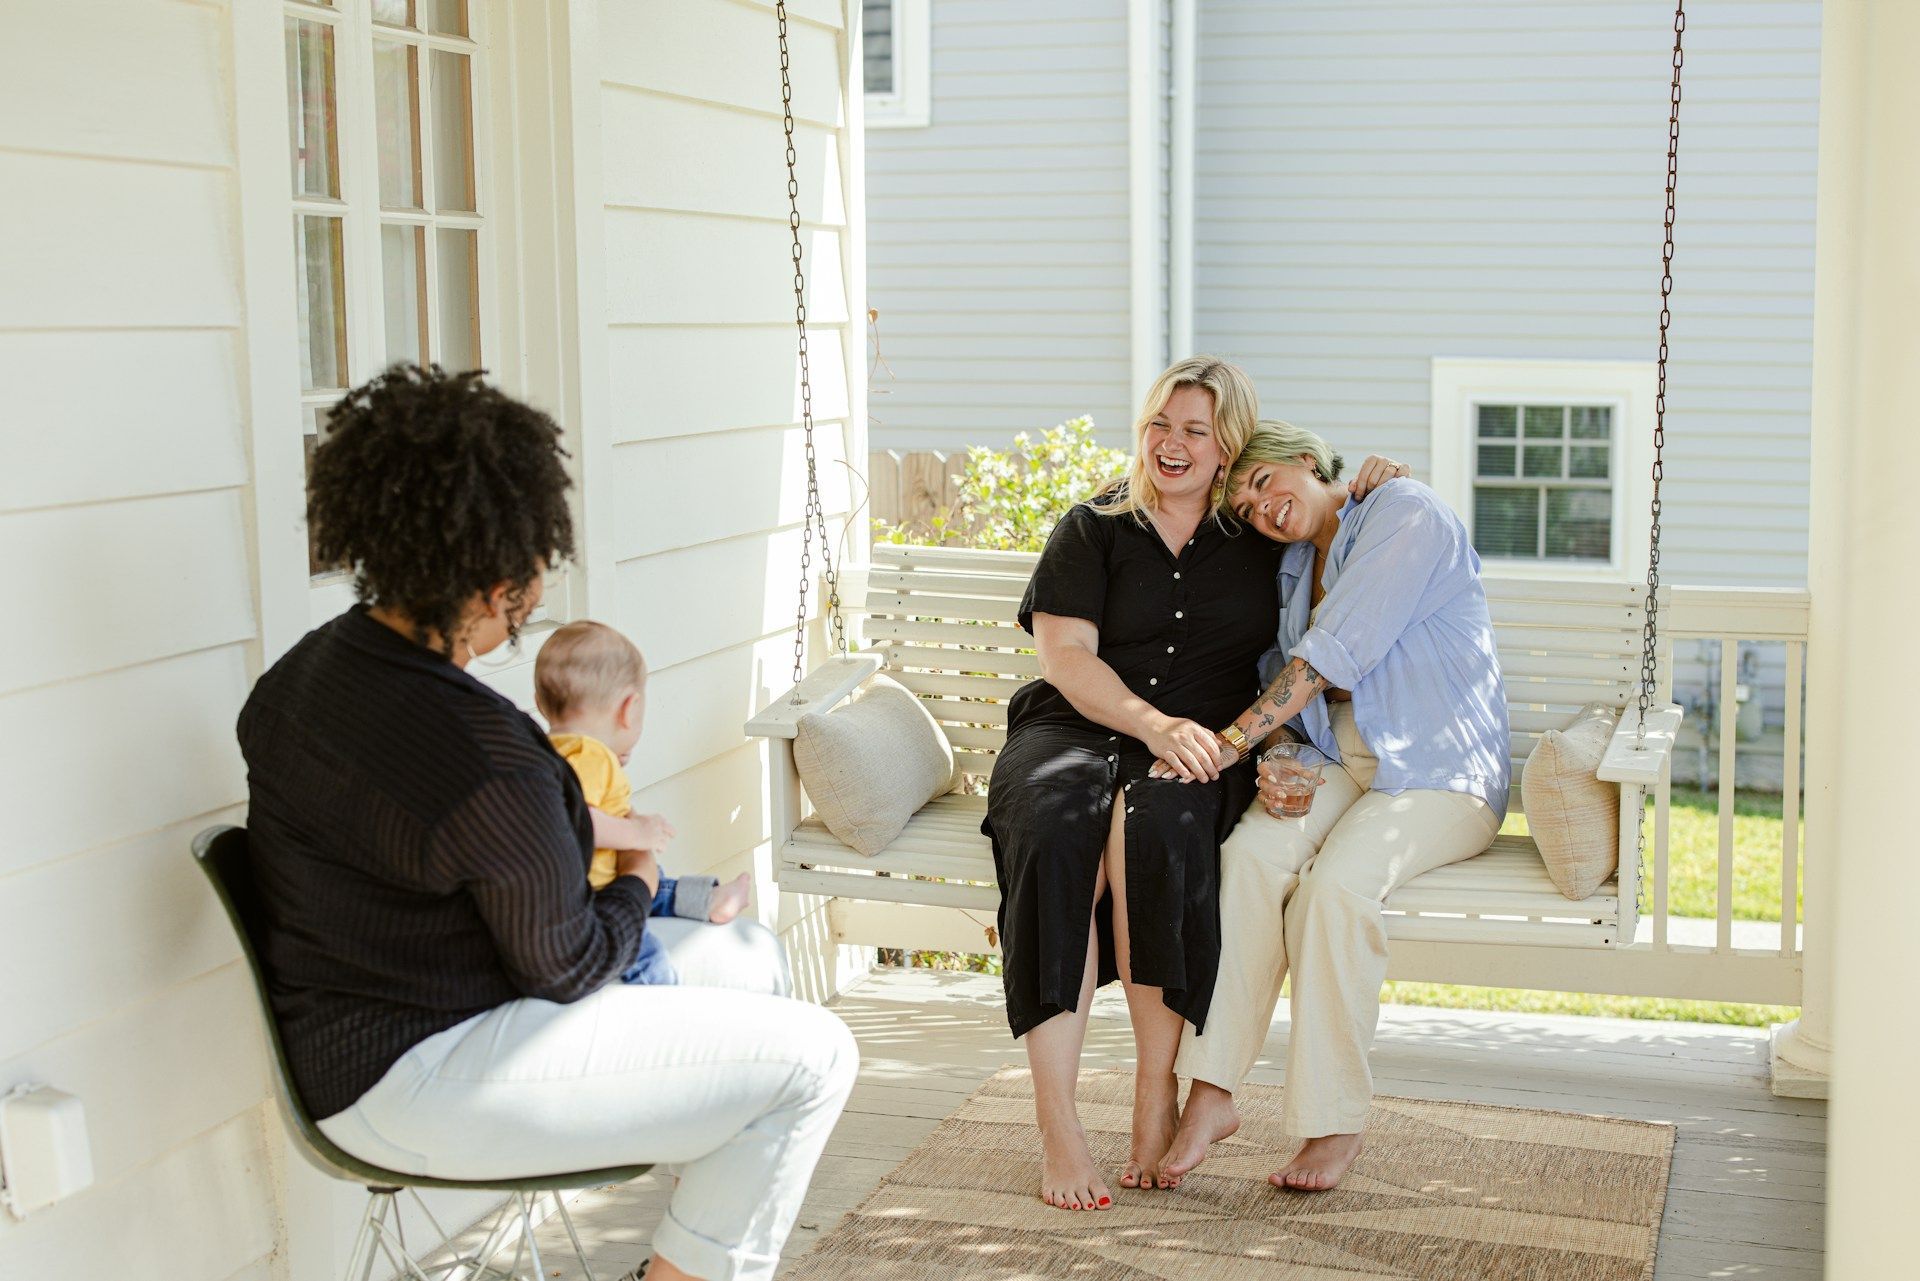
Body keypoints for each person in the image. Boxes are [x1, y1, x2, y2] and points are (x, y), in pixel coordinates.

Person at [238, 365, 856, 1281]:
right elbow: (563, 964)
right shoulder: (487, 757)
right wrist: (642, 879)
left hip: (358, 1027)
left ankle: (703, 1208)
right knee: (815, 1056)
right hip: (422, 1068)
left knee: (752, 959)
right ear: (498, 586)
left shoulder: (300, 677)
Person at [1158, 418, 1509, 1194]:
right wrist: (1278, 758)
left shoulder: (1403, 512)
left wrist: (1231, 744)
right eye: (1245, 504)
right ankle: (1212, 1092)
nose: (1261, 507)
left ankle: (1334, 1119)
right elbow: (1288, 686)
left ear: (1309, 462)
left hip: (1442, 770)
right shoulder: (1289, 566)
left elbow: (1329, 655)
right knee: (1248, 857)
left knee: (1333, 891)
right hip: (1342, 758)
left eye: (1264, 482)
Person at [534, 619, 752, 986]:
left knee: (659, 882)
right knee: (647, 954)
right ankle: (665, 1006)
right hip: (594, 896)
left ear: (542, 703)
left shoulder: (550, 749)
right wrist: (636, 832)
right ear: (628, 709)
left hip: (590, 882)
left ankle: (712, 899)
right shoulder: (588, 754)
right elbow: (576, 820)